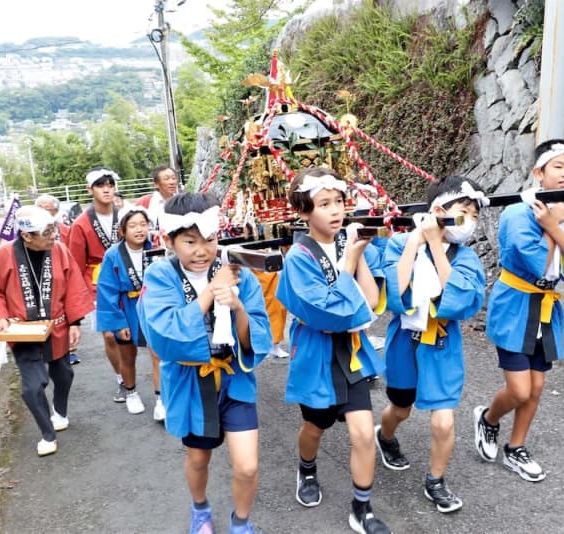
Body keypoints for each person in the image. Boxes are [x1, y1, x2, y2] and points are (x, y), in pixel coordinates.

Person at [137, 192, 271, 534]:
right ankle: (200, 509)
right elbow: (165, 335)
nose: (201, 251)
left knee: (248, 466)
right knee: (198, 457)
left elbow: (256, 335)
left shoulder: (237, 272)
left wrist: (238, 306)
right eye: (189, 241)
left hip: (234, 377)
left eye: (209, 240)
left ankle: (240, 522)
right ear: (170, 241)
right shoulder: (160, 276)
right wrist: (212, 291)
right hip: (190, 381)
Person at [474, 139, 564, 482]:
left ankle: (516, 447)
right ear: (538, 172)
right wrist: (553, 229)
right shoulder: (517, 212)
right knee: (518, 390)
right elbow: (534, 260)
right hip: (515, 304)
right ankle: (488, 419)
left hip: (546, 306)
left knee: (536, 388)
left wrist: (555, 226)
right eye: (558, 167)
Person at [275, 168, 391, 534]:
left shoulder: (351, 243)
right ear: (305, 211)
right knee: (316, 424)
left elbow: (371, 303)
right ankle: (306, 468)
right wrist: (352, 262)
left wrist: (357, 257)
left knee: (361, 432)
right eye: (324, 203)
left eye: (338, 201)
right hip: (316, 353)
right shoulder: (297, 257)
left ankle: (362, 507)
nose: (335, 210)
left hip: (352, 352)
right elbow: (328, 313)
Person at [375, 175, 486, 514]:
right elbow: (394, 291)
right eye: (463, 211)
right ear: (439, 209)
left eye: (475, 215)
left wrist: (437, 246)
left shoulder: (465, 257)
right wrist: (416, 240)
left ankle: (435, 481)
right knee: (400, 408)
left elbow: (462, 298)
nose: (469, 221)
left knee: (443, 420)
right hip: (404, 341)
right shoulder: (398, 243)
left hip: (441, 343)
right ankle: (385, 436)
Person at [0, 206, 93, 456]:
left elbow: (74, 285)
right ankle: (47, 433)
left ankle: (59, 411)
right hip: (23, 331)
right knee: (32, 387)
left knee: (64, 374)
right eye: (47, 232)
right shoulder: (4, 255)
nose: (53, 236)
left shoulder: (60, 251)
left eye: (53, 229)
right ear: (26, 235)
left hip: (58, 325)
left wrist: (76, 322)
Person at [96, 206, 166, 421]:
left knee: (158, 353)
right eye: (133, 225)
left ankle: (161, 399)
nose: (139, 230)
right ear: (123, 230)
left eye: (143, 224)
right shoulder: (113, 254)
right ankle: (131, 391)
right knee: (127, 354)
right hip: (127, 307)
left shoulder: (157, 248)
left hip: (152, 306)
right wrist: (117, 322)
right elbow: (106, 290)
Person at [68, 167, 125, 401]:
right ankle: (122, 378)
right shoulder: (81, 224)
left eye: (110, 185)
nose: (107, 189)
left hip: (128, 276)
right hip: (98, 282)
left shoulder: (124, 215)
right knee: (110, 335)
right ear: (90, 190)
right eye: (101, 185)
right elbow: (75, 264)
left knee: (137, 334)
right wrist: (83, 297)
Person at [35, 193, 79, 364]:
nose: (45, 212)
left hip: (63, 276)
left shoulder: (66, 230)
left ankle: (70, 349)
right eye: (41, 209)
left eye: (49, 209)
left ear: (55, 212)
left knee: (66, 312)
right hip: (39, 278)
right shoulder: (29, 234)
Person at [136, 164, 180, 233]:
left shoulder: (182, 201)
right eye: (167, 179)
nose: (172, 182)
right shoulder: (145, 202)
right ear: (156, 184)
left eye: (173, 178)